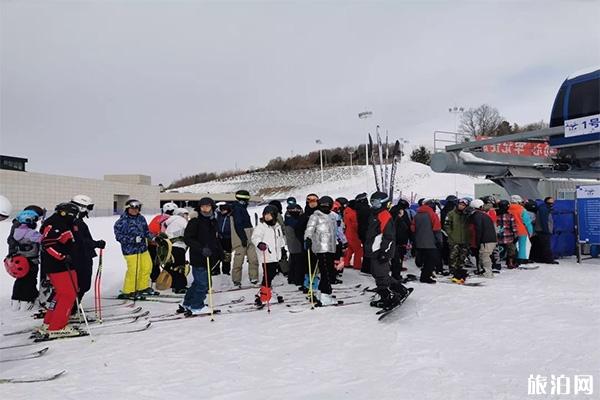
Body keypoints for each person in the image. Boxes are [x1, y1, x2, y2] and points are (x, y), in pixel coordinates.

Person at [38, 203, 81, 338]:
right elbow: (47, 244)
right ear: (66, 213)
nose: (75, 218)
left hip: (60, 264)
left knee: (61, 294)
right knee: (69, 294)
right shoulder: (57, 223)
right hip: (60, 266)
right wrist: (62, 256)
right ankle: (57, 326)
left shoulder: (58, 222)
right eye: (73, 215)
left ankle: (50, 321)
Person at [364, 192, 411, 310]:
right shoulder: (374, 214)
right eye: (372, 202)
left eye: (376, 202)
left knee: (381, 275)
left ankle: (388, 297)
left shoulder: (384, 215)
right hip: (374, 249)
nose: (373, 205)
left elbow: (389, 236)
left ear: (383, 202)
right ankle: (400, 289)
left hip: (381, 250)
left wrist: (384, 252)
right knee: (377, 273)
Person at [180, 197, 223, 315]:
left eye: (208, 206)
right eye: (203, 206)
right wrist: (201, 249)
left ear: (212, 207)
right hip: (198, 257)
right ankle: (197, 306)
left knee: (198, 282)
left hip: (210, 257)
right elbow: (188, 238)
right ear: (199, 208)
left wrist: (220, 253)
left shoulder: (213, 220)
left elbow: (215, 239)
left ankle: (187, 303)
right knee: (203, 283)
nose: (205, 209)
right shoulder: (195, 221)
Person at [304, 196, 347, 305]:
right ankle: (325, 293)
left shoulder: (334, 216)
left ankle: (321, 292)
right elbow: (309, 229)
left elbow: (338, 230)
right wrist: (307, 239)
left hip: (331, 247)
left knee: (328, 270)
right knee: (326, 271)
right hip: (320, 247)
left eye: (327, 206)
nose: (325, 208)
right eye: (323, 205)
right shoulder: (315, 216)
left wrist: (343, 241)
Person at [114, 199, 154, 300]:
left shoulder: (141, 218)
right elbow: (119, 237)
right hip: (130, 250)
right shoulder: (121, 222)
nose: (135, 210)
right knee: (134, 270)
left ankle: (142, 287)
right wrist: (133, 239)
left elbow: (146, 231)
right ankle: (128, 291)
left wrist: (153, 237)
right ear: (128, 209)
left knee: (147, 267)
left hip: (142, 248)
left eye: (137, 208)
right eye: (132, 208)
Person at [70, 195, 105, 309]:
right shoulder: (75, 222)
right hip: (80, 257)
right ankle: (71, 308)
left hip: (82, 256)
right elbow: (81, 241)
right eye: (89, 207)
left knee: (83, 284)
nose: (89, 211)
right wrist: (96, 243)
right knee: (82, 284)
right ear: (82, 207)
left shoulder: (77, 221)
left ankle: (72, 307)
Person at [6, 209, 43, 309]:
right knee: (30, 281)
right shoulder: (31, 233)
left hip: (20, 261)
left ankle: (15, 301)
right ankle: (25, 302)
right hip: (31, 261)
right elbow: (43, 238)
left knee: (20, 281)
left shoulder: (17, 231)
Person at [251, 205, 286, 307]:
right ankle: (264, 297)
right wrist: (259, 243)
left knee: (271, 274)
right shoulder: (261, 226)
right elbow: (255, 237)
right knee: (268, 275)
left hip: (275, 255)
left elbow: (280, 238)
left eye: (269, 215)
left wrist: (282, 246)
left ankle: (267, 293)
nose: (267, 217)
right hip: (266, 255)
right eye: (265, 215)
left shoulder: (277, 226)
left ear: (274, 215)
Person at [230, 190, 259, 286]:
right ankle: (236, 280)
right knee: (239, 258)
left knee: (253, 258)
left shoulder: (242, 207)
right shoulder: (237, 208)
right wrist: (243, 238)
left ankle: (254, 277)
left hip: (249, 234)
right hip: (241, 236)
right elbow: (238, 225)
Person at [411, 199, 442, 283]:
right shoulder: (432, 214)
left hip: (419, 242)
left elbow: (413, 228)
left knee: (424, 259)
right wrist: (439, 241)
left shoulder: (417, 215)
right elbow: (437, 229)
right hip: (430, 242)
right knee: (431, 260)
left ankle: (424, 274)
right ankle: (425, 277)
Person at [148, 202, 177, 288]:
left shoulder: (157, 218)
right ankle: (167, 279)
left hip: (152, 243)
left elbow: (149, 229)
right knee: (169, 262)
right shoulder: (173, 220)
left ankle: (155, 278)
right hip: (166, 244)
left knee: (154, 263)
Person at [295, 193, 319, 292]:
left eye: (315, 201)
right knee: (307, 263)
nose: (313, 204)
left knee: (316, 264)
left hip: (318, 244)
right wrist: (303, 239)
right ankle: (306, 283)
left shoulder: (320, 214)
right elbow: (298, 230)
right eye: (310, 202)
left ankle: (315, 283)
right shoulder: (304, 216)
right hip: (307, 243)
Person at [468, 199, 498, 278]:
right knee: (484, 255)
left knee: (484, 256)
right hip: (489, 239)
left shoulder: (477, 216)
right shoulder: (483, 215)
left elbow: (478, 229)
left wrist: (477, 241)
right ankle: (485, 271)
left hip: (486, 240)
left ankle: (488, 273)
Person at [163, 207, 190, 293]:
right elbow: (188, 230)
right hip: (178, 246)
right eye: (186, 214)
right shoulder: (181, 220)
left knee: (173, 265)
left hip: (170, 246)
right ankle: (180, 286)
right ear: (181, 214)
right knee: (179, 266)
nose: (187, 216)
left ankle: (173, 284)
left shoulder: (171, 221)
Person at [444, 198, 470, 281]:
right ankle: (452, 270)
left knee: (462, 256)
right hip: (453, 239)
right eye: (460, 204)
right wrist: (451, 234)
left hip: (465, 239)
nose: (461, 206)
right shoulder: (451, 214)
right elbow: (446, 226)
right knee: (453, 256)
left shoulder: (467, 214)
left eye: (463, 205)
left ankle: (460, 270)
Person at [390, 199, 412, 281]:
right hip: (401, 237)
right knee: (399, 256)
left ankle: (395, 270)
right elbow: (407, 225)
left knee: (395, 256)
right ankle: (396, 274)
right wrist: (410, 235)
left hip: (393, 237)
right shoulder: (401, 213)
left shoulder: (391, 210)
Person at [531, 197, 558, 264]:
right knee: (546, 245)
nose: (552, 203)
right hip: (543, 230)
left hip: (541, 230)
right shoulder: (544, 209)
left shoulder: (544, 208)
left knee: (541, 245)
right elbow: (544, 221)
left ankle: (541, 258)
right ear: (547, 201)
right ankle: (549, 259)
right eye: (551, 201)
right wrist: (546, 230)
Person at [507, 195, 533, 265]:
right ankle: (522, 259)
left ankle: (512, 259)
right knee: (522, 245)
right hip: (521, 230)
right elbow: (527, 222)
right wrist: (530, 232)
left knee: (511, 245)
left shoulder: (507, 208)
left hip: (509, 230)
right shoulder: (522, 209)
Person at [283, 203, 305, 286]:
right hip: (295, 243)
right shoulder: (291, 220)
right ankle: (297, 279)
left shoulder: (289, 219)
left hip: (293, 244)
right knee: (297, 261)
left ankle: (292, 278)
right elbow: (298, 227)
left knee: (293, 260)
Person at [496, 200, 518, 269]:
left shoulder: (496, 215)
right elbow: (513, 227)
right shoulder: (510, 216)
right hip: (508, 237)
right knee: (511, 250)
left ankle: (497, 263)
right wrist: (516, 236)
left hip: (498, 236)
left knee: (497, 251)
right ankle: (510, 263)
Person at [342, 199, 363, 270]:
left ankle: (346, 262)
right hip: (353, 234)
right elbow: (355, 225)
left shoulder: (346, 211)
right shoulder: (353, 213)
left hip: (347, 233)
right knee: (358, 250)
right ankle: (357, 265)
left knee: (350, 249)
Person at [354, 193, 371, 274]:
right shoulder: (365, 209)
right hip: (367, 232)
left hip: (362, 231)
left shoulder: (359, 209)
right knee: (368, 250)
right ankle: (367, 268)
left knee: (366, 250)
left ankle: (366, 267)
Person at [440, 195, 458, 266]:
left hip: (444, 231)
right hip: (452, 232)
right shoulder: (453, 210)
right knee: (453, 248)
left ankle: (446, 260)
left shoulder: (444, 209)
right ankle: (452, 262)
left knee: (446, 247)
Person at [216, 202, 233, 275]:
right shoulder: (219, 216)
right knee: (217, 254)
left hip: (228, 238)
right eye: (221, 210)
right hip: (219, 237)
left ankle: (226, 270)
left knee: (227, 255)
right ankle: (216, 269)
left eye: (224, 210)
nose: (223, 211)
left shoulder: (230, 216)